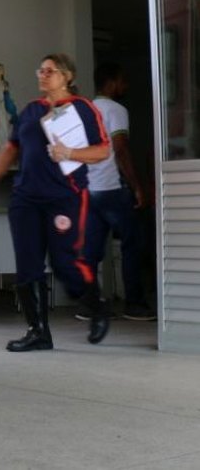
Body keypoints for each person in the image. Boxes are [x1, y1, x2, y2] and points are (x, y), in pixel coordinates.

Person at [0, 53, 111, 351]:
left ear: (68, 76)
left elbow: (102, 151)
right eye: (41, 71)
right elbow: (9, 151)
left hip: (66, 197)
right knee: (28, 265)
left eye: (51, 71)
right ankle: (38, 332)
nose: (43, 75)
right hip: (26, 199)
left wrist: (71, 154)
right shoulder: (31, 110)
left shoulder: (83, 108)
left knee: (65, 264)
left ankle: (96, 306)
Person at [81, 62, 155, 321]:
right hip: (112, 189)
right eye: (123, 81)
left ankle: (89, 305)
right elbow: (121, 149)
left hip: (89, 190)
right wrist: (137, 187)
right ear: (111, 82)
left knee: (91, 249)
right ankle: (134, 303)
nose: (125, 86)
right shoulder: (116, 110)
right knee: (133, 242)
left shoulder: (85, 110)